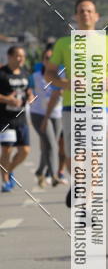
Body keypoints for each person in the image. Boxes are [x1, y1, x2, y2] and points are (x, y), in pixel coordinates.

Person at [45, 0, 108, 207]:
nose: (85, 14)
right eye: (81, 11)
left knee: (94, 154)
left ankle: (88, 202)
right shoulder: (64, 43)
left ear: (96, 16)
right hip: (73, 107)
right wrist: (65, 83)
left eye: (89, 11)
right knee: (77, 155)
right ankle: (78, 185)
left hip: (99, 106)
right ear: (75, 16)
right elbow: (48, 74)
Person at [0, 45, 33, 192]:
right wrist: (7, 100)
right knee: (7, 150)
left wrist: (31, 96)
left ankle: (9, 170)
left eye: (23, 56)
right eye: (18, 56)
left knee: (25, 151)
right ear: (10, 57)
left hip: (21, 118)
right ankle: (5, 181)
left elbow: (29, 90)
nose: (21, 59)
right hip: (5, 119)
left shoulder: (25, 73)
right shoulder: (2, 74)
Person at [30, 42, 63, 187]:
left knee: (48, 145)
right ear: (43, 60)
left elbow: (59, 94)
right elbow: (29, 90)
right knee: (51, 145)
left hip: (56, 114)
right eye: (46, 58)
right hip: (38, 114)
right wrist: (30, 96)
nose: (49, 61)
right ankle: (53, 175)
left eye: (52, 58)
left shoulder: (61, 75)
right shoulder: (36, 75)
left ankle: (39, 171)